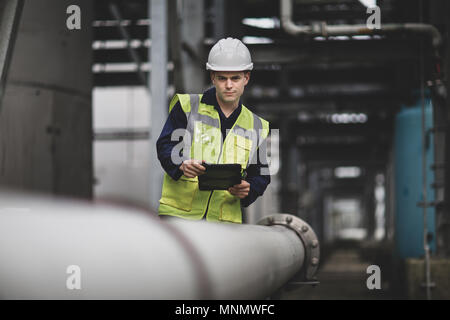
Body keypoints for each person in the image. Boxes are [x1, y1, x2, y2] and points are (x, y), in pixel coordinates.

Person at [156, 37, 270, 223]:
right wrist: (181, 164)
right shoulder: (187, 107)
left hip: (224, 223)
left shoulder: (258, 126)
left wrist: (249, 188)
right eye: (222, 78)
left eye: (235, 78)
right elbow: (165, 146)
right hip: (180, 218)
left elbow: (262, 174)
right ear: (213, 78)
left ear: (246, 78)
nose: (229, 85)